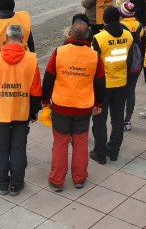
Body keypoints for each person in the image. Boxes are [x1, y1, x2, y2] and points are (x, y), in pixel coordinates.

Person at [43, 19, 106, 191]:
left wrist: (44, 100)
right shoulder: (94, 56)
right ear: (87, 36)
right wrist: (98, 103)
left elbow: (48, 78)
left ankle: (57, 180)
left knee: (60, 142)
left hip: (61, 105)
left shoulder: (59, 52)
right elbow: (101, 83)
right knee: (80, 142)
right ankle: (79, 178)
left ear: (70, 33)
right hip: (83, 106)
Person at [0, 24, 42, 196]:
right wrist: (34, 111)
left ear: (6, 38)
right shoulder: (31, 60)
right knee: (18, 148)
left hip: (1, 111)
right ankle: (16, 183)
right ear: (23, 39)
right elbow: (36, 89)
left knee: (0, 148)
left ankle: (1, 183)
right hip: (22, 111)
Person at [90, 6, 134, 164]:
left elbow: (93, 62)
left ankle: (100, 153)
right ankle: (114, 151)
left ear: (105, 20)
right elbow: (130, 60)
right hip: (121, 82)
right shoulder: (128, 36)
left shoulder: (99, 38)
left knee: (99, 119)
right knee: (117, 119)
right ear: (119, 19)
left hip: (103, 85)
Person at [119, 2, 143, 130]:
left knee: (119, 93)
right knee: (130, 92)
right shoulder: (140, 26)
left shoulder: (120, 27)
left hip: (122, 63)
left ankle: (118, 118)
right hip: (137, 64)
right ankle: (127, 121)